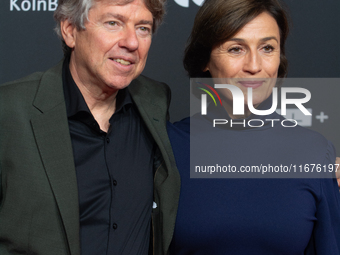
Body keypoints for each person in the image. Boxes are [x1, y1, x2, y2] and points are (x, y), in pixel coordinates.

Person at [0, 0, 180, 254]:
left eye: (143, 28)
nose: (131, 42)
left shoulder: (156, 102)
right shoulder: (8, 111)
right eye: (113, 23)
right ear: (70, 30)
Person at [167, 0, 340, 254]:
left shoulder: (314, 151)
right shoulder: (167, 147)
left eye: (267, 48)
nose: (254, 66)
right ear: (204, 59)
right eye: (236, 49)